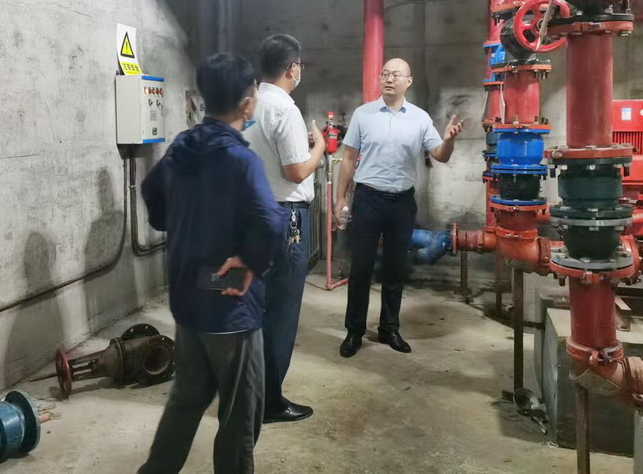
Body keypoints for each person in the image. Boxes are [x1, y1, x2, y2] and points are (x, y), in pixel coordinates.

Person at [138, 53, 286, 474]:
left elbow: (151, 191)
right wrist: (250, 261)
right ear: (247, 102)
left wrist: (177, 224)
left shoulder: (182, 147)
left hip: (188, 297)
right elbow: (270, 220)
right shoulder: (240, 160)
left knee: (186, 399)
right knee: (239, 413)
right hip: (229, 303)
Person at [334, 58, 463, 358]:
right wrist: (341, 198)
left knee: (395, 268)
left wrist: (449, 140)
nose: (389, 79)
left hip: (402, 202)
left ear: (409, 81)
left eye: (396, 75)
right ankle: (354, 330)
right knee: (361, 269)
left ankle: (389, 327)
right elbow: (349, 158)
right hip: (368, 199)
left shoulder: (419, 118)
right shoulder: (363, 115)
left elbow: (440, 155)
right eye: (385, 74)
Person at [244, 34, 325, 424]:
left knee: (256, 308)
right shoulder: (285, 109)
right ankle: (269, 402)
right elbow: (294, 171)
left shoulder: (248, 103)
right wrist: (319, 149)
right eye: (299, 65)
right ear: (292, 68)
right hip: (286, 218)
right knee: (281, 311)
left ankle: (248, 391)